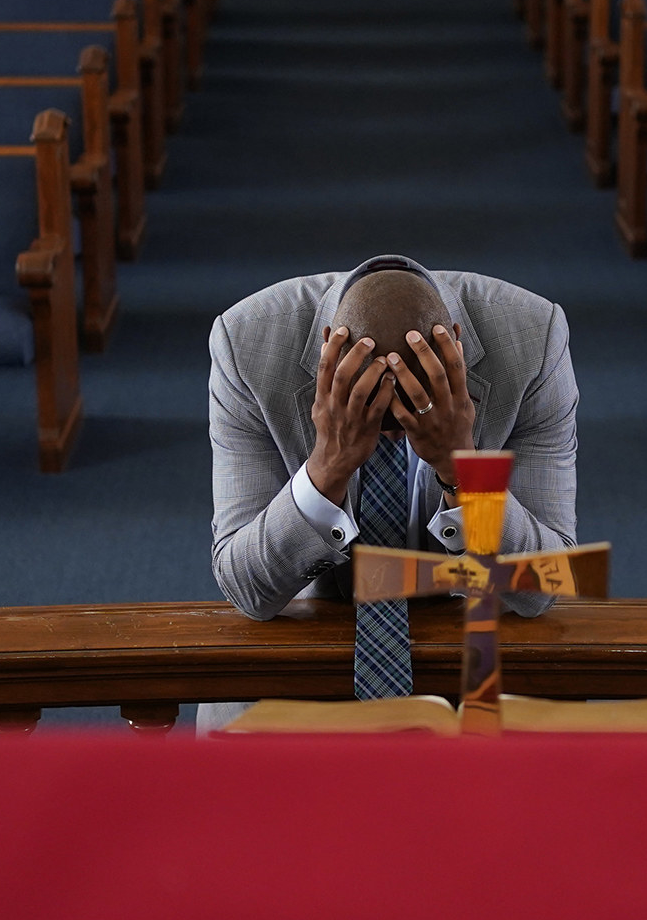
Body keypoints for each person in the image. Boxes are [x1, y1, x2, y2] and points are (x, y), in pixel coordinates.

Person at [200, 254, 579, 733]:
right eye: (377, 416)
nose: (396, 434)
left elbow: (543, 586)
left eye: (411, 409)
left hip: (479, 660)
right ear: (327, 354)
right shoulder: (247, 343)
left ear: (456, 353)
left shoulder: (533, 338)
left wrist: (462, 470)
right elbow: (247, 588)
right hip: (300, 660)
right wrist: (326, 468)